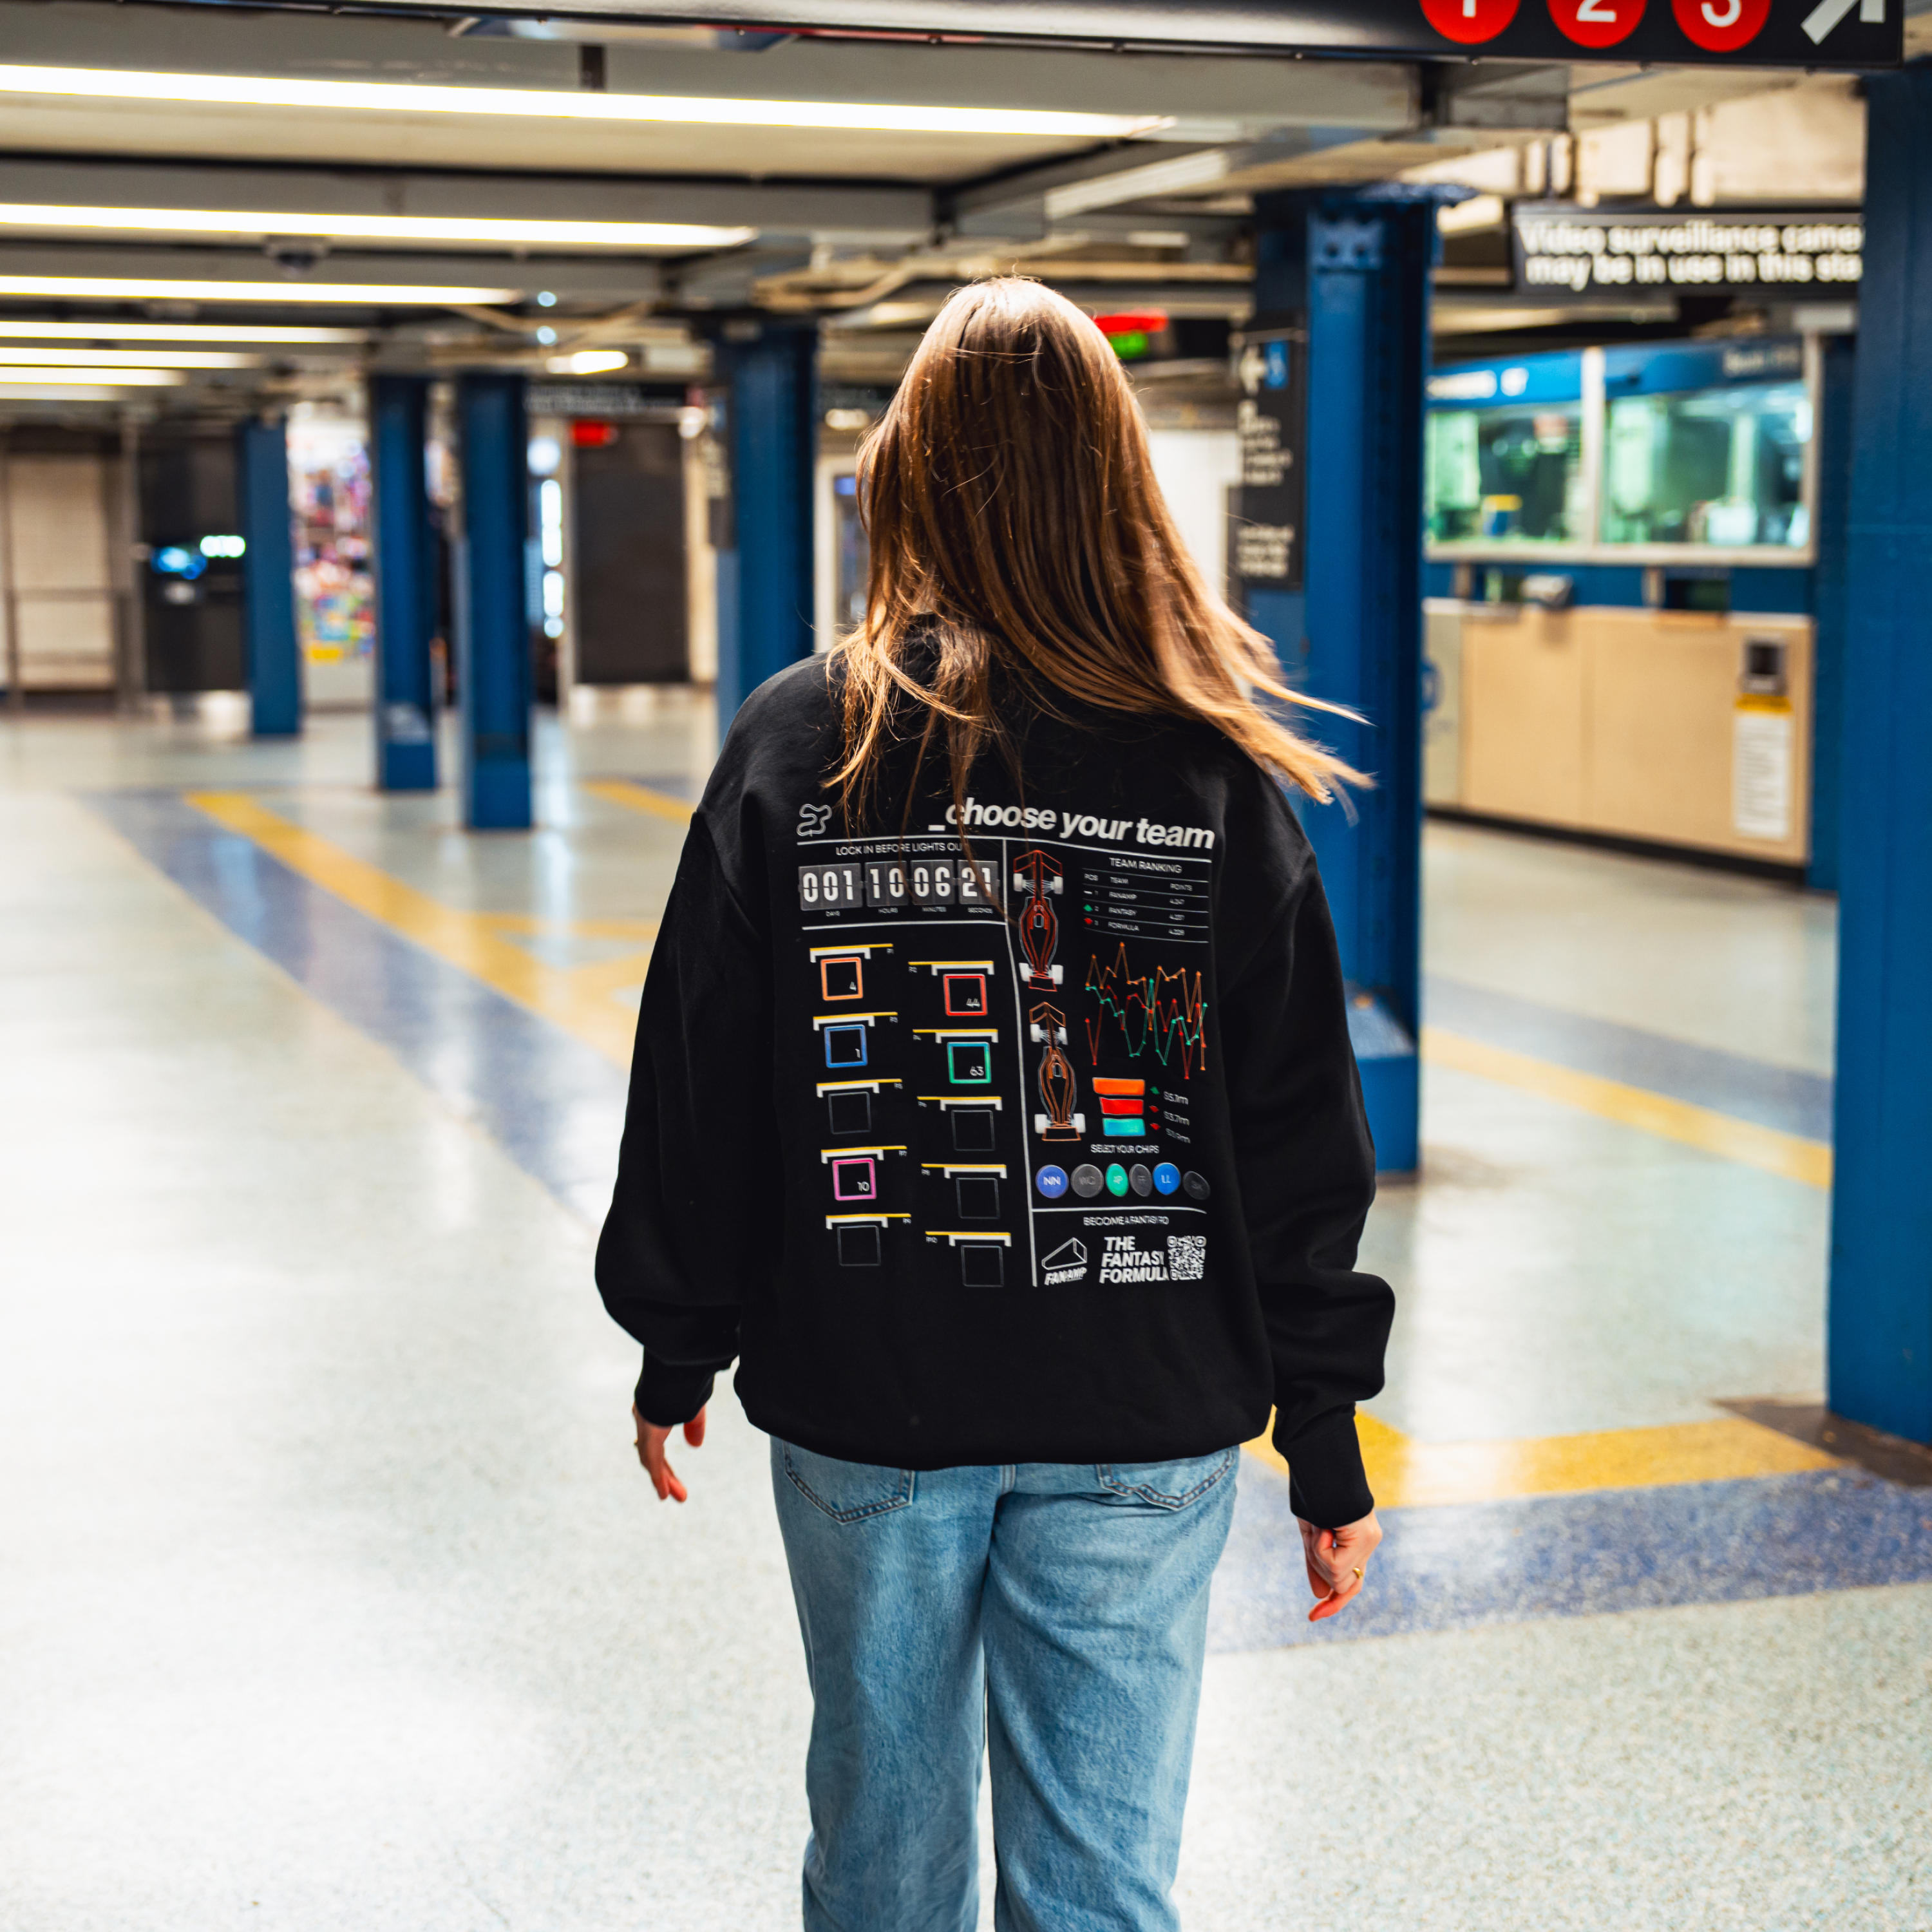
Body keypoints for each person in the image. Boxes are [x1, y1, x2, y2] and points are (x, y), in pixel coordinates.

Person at [597, 276, 1395, 1932]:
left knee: (882, 1855)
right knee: (1101, 1881)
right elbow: (1299, 1136)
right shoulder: (1206, 773)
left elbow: (706, 1076)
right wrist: (1323, 1433)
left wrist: (680, 1334)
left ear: (907, 473)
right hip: (1146, 1415)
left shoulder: (799, 742)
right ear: (1119, 487)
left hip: (871, 1397)